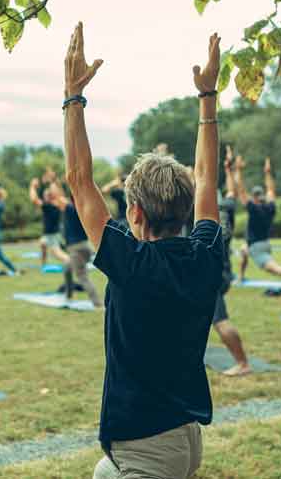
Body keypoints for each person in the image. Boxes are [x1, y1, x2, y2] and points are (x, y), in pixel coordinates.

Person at [60, 24, 224, 479]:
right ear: (186, 210)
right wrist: (207, 96)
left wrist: (73, 95)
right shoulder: (204, 251)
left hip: (148, 449)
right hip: (183, 438)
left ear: (133, 212)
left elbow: (78, 180)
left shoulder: (131, 265)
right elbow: (208, 179)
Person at [235, 156, 281, 290]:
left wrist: (238, 170)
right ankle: (240, 277)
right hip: (262, 244)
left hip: (256, 247)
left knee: (275, 269)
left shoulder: (253, 209)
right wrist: (268, 172)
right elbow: (271, 190)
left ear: (255, 198)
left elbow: (241, 190)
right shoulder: (271, 208)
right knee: (243, 250)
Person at [212, 145, 251, 376]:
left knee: (220, 320)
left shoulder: (198, 210)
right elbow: (232, 191)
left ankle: (243, 363)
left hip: (210, 275)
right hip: (224, 271)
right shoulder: (225, 207)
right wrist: (230, 169)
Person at [62, 193, 102, 307]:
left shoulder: (70, 209)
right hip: (85, 246)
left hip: (76, 249)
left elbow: (58, 197)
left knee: (82, 276)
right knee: (67, 268)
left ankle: (97, 303)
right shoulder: (85, 209)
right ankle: (68, 296)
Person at [29, 176, 69, 267]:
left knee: (58, 254)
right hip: (50, 234)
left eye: (46, 195)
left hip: (52, 235)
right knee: (42, 244)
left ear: (50, 196)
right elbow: (61, 194)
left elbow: (34, 199)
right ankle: (43, 264)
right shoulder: (56, 204)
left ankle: (72, 262)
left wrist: (32, 186)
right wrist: (53, 181)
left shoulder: (48, 206)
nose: (44, 196)